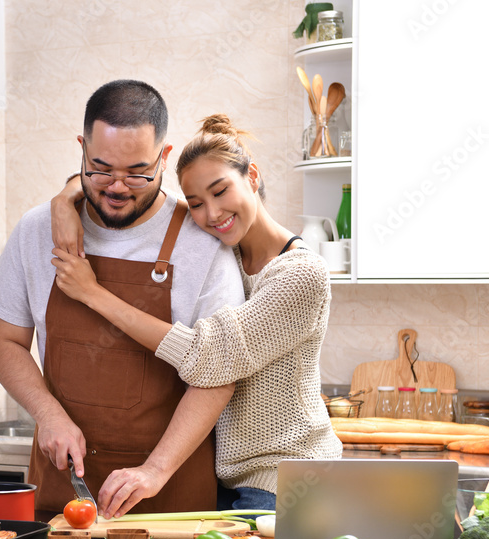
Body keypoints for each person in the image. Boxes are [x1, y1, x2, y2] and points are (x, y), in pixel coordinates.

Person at [0, 80, 245, 519]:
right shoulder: (35, 230)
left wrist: (155, 470)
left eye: (138, 172)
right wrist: (48, 414)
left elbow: (217, 374)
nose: (118, 187)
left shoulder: (203, 244)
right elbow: (4, 341)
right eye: (101, 169)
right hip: (63, 489)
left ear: (164, 155)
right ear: (81, 148)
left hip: (169, 495)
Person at [50, 114, 343, 511]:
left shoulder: (302, 275)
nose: (212, 214)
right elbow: (99, 180)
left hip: (287, 478)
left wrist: (92, 294)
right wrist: (64, 200)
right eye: (198, 204)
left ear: (252, 176)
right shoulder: (227, 255)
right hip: (227, 477)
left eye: (221, 191)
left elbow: (212, 358)